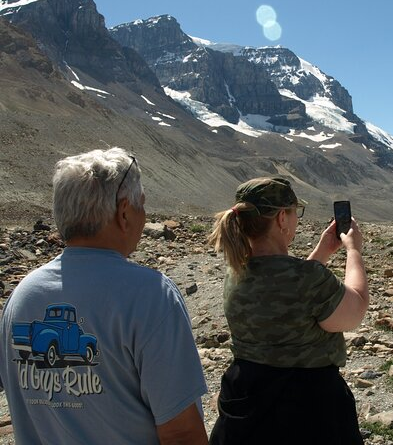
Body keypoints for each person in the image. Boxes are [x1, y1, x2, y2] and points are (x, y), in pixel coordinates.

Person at [0, 148, 208, 444]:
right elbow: (181, 432)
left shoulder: (22, 296)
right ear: (124, 212)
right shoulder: (152, 295)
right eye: (141, 207)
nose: (143, 216)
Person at [207, 177, 368, 445]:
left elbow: (286, 293)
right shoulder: (308, 279)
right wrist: (354, 252)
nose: (296, 220)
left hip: (246, 403)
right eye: (295, 212)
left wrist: (321, 252)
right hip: (309, 408)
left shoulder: (236, 271)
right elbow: (356, 308)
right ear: (282, 218)